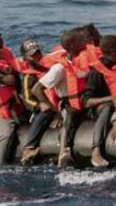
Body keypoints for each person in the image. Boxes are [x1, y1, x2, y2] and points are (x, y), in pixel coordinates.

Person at [20, 28, 89, 167]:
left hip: (58, 103)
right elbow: (28, 97)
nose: (37, 57)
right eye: (32, 55)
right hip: (43, 107)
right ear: (25, 58)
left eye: (38, 53)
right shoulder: (30, 76)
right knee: (47, 114)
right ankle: (29, 148)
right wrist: (42, 106)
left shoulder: (50, 65)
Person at [83, 35, 116, 168]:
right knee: (108, 107)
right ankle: (96, 150)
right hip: (99, 109)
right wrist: (111, 98)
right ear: (112, 49)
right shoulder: (96, 73)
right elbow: (87, 102)